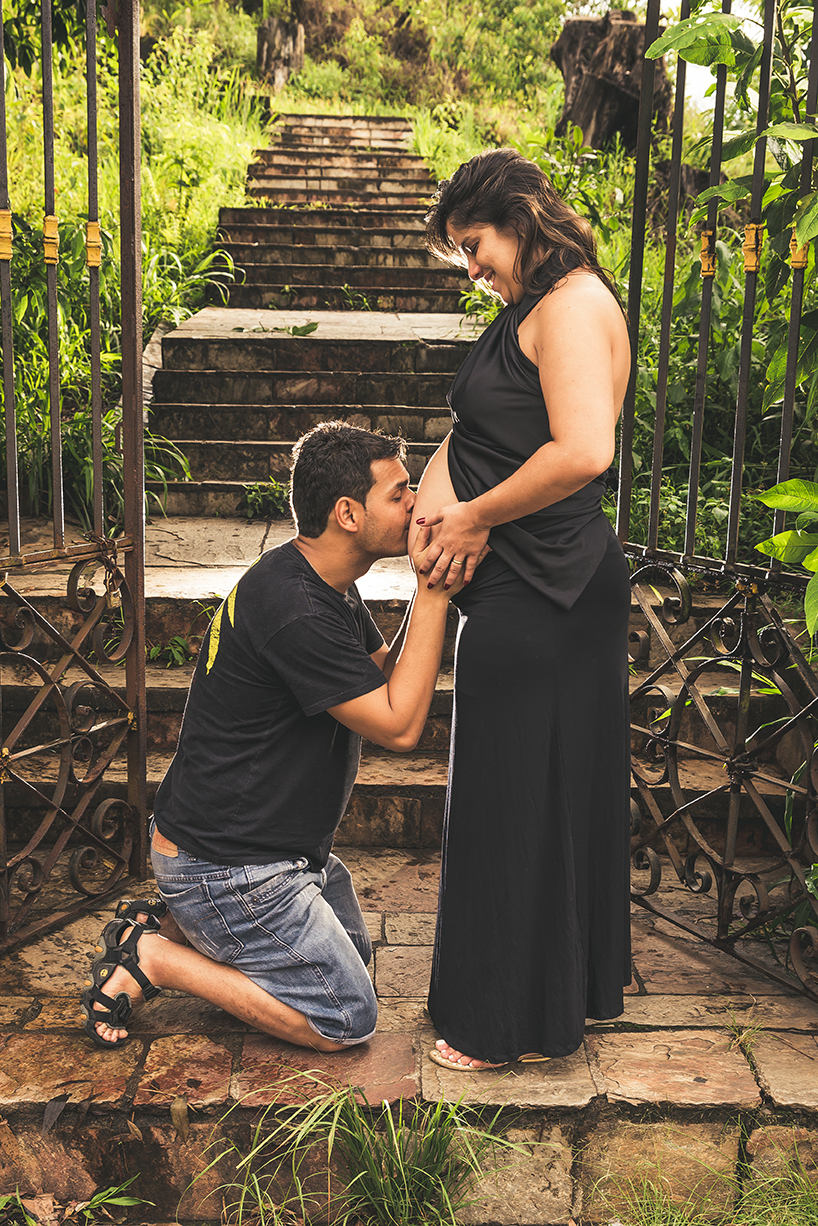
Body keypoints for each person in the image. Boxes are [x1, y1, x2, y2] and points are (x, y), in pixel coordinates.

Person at [81, 421, 463, 1051]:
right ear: (347, 513)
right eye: (400, 494)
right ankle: (157, 956)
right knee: (343, 1017)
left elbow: (375, 681)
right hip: (229, 864)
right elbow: (398, 725)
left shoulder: (320, 583)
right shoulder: (295, 608)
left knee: (352, 969)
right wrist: (433, 589)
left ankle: (181, 925)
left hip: (266, 851)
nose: (417, 505)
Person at [409, 148, 632, 1071]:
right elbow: (485, 435)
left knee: (516, 797)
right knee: (516, 793)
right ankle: (549, 998)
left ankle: (499, 1024)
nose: (472, 267)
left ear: (522, 220)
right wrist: (442, 507)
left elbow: (584, 451)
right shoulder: (530, 310)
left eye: (475, 245)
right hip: (521, 581)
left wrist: (469, 516)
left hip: (553, 588)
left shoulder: (574, 305)